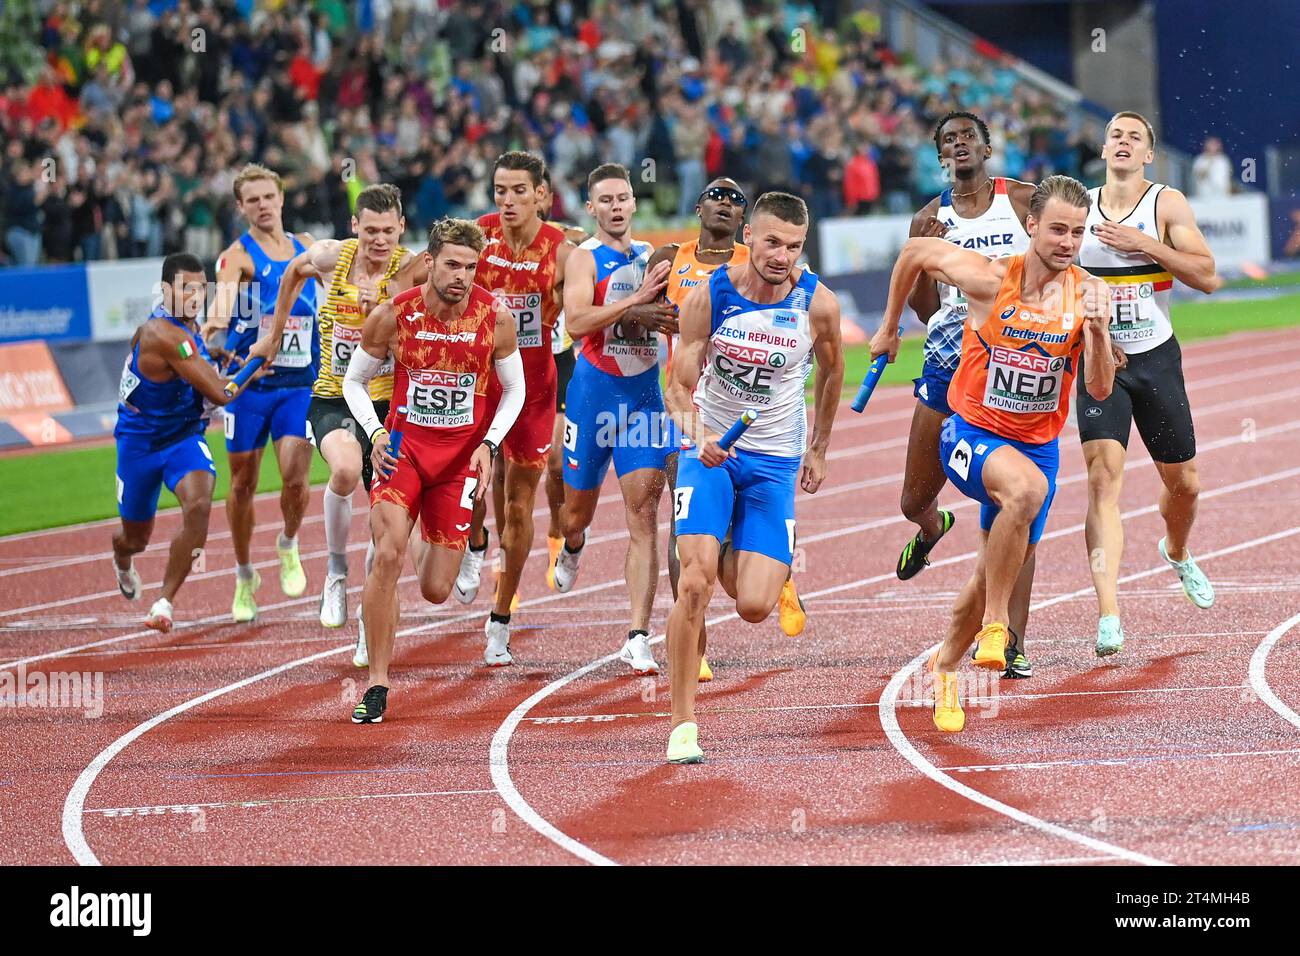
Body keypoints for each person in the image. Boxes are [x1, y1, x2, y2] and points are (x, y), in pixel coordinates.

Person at [875, 175, 1116, 733]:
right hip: (971, 434)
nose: (1067, 242)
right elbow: (914, 250)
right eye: (1057, 229)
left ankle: (946, 667)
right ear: (1031, 225)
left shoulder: (1086, 295)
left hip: (1038, 448)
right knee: (1024, 495)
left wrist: (1100, 333)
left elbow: (1099, 390)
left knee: (990, 570)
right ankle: (998, 627)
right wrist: (888, 329)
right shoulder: (989, 279)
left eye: (1078, 233)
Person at [663, 191, 845, 764]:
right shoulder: (709, 297)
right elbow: (677, 385)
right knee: (694, 582)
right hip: (710, 450)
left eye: (793, 246)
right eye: (771, 242)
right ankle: (683, 724)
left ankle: (770, 565)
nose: (781, 256)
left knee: (753, 606)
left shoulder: (819, 305)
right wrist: (697, 435)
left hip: (772, 463)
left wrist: (819, 447)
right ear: (749, 236)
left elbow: (835, 372)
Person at [873, 110, 1037, 679]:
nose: (959, 144)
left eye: (968, 136)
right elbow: (923, 309)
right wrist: (928, 266)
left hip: (1012, 363)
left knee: (1013, 508)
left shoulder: (1022, 202)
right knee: (912, 500)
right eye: (948, 139)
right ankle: (930, 527)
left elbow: (1060, 258)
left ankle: (1011, 638)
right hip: (947, 362)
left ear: (987, 147)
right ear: (940, 155)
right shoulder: (928, 218)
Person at [341, 218, 524, 723]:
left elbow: (515, 391)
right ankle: (377, 683)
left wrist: (489, 443)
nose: (462, 275)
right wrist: (375, 434)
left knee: (435, 590)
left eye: (470, 266)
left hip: (459, 462)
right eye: (452, 264)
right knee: (386, 555)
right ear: (429, 260)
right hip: (403, 451)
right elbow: (354, 382)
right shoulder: (393, 315)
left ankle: (434, 533)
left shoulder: (496, 318)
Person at [647, 177, 808, 685]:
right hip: (693, 412)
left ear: (746, 222)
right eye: (715, 195)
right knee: (688, 540)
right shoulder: (672, 258)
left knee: (744, 585)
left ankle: (771, 557)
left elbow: (824, 360)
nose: (724, 203)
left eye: (735, 199)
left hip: (766, 442)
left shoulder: (764, 260)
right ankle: (693, 647)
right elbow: (638, 318)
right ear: (698, 206)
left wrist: (818, 444)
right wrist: (642, 313)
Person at [1076, 112, 1222, 657]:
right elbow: (1048, 274)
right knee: (1101, 479)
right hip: (1098, 361)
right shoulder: (1077, 207)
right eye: (1115, 134)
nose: (1123, 142)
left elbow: (1207, 277)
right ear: (1104, 147)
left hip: (1155, 359)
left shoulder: (1166, 203)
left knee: (1184, 484)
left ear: (1147, 156)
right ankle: (1109, 613)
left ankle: (1177, 550)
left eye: (1134, 137)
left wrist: (1147, 244)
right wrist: (1087, 332)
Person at [261, 183, 413, 666]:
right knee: (344, 472)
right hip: (334, 395)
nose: (379, 240)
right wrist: (275, 332)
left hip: (389, 408)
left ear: (401, 228)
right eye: (370, 230)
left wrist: (385, 313)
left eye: (388, 231)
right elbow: (292, 271)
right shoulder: (330, 257)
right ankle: (335, 574)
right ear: (354, 226)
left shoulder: (410, 270)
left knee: (384, 526)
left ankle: (370, 624)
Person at [444, 151, 573, 666]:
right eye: (500, 190)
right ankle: (475, 540)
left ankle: (500, 619)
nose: (508, 199)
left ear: (542, 194)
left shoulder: (563, 249)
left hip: (534, 391)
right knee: (473, 492)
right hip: (479, 388)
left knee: (518, 503)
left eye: (520, 190)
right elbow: (424, 268)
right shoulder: (478, 236)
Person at [551, 162, 673, 675]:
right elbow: (576, 322)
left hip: (643, 400)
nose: (617, 207)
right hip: (591, 398)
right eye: (606, 200)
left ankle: (637, 634)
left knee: (643, 513)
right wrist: (633, 306)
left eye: (624, 198)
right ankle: (572, 543)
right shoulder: (583, 259)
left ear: (634, 203)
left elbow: (678, 315)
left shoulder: (653, 257)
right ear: (591, 208)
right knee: (576, 513)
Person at [113, 253, 261, 631]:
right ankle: (123, 558)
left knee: (199, 503)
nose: (195, 295)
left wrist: (206, 354)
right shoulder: (161, 333)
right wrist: (257, 361)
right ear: (165, 290)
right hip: (140, 442)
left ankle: (164, 601)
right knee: (135, 537)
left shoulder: (186, 328)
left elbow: (186, 357)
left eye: (201, 288)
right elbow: (222, 393)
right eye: (186, 288)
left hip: (182, 436)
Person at [206, 164, 318, 624]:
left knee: (295, 476)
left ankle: (288, 543)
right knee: (243, 484)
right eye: (252, 200)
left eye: (268, 196)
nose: (263, 205)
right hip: (251, 387)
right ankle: (244, 574)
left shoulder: (308, 248)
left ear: (282, 198)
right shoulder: (238, 257)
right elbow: (220, 308)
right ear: (241, 207)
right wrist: (215, 335)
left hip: (299, 384)